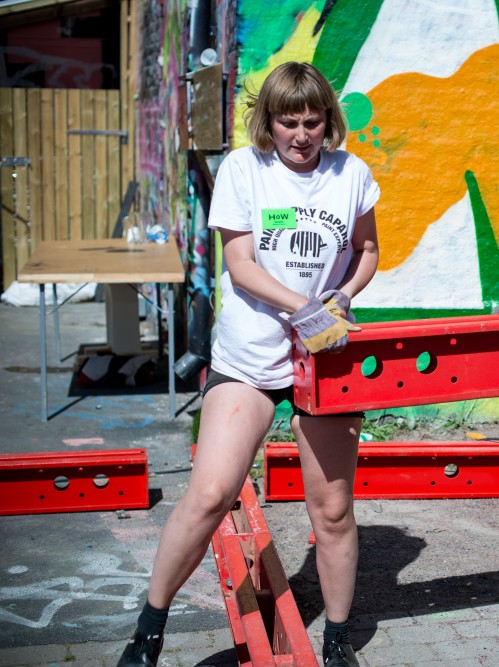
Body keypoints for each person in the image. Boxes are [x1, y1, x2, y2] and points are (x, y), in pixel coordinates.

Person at [117, 61, 380, 667]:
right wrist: (303, 308)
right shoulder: (244, 169)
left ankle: (338, 639)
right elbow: (240, 266)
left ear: (328, 121)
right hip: (251, 354)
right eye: (289, 122)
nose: (301, 135)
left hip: (323, 358)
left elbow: (367, 250)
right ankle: (148, 631)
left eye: (312, 122)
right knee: (211, 494)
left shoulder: (351, 174)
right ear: (269, 121)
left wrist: (342, 297)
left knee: (333, 510)